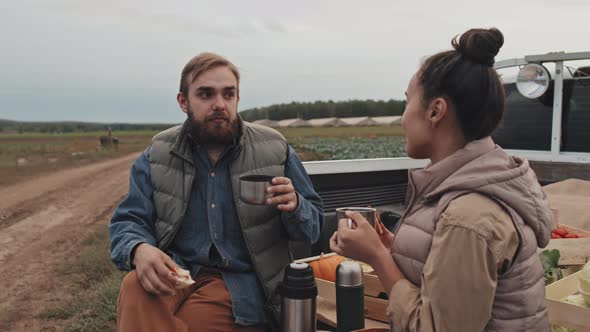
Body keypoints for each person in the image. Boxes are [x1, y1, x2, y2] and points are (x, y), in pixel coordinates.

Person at [330, 28, 553, 332]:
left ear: (435, 111)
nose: (403, 117)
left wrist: (377, 256)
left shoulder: (468, 215)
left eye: (407, 102)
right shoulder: (475, 185)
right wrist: (394, 247)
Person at [110, 52, 323, 331]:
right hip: (176, 272)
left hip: (239, 282)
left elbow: (314, 229)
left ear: (237, 98)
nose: (220, 104)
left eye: (228, 94)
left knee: (189, 322)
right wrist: (139, 249)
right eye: (206, 94)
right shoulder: (157, 155)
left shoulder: (274, 149)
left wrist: (295, 206)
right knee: (135, 285)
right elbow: (128, 220)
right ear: (183, 101)